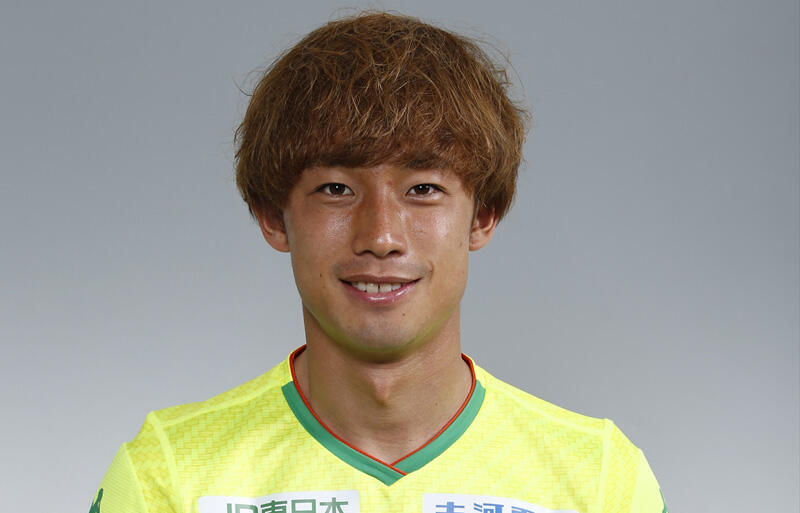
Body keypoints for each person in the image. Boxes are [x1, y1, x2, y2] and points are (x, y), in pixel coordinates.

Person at [91, 11, 666, 513]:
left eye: (423, 189)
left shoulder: (599, 480)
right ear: (273, 217)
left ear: (483, 215)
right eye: (336, 189)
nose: (382, 237)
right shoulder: (168, 475)